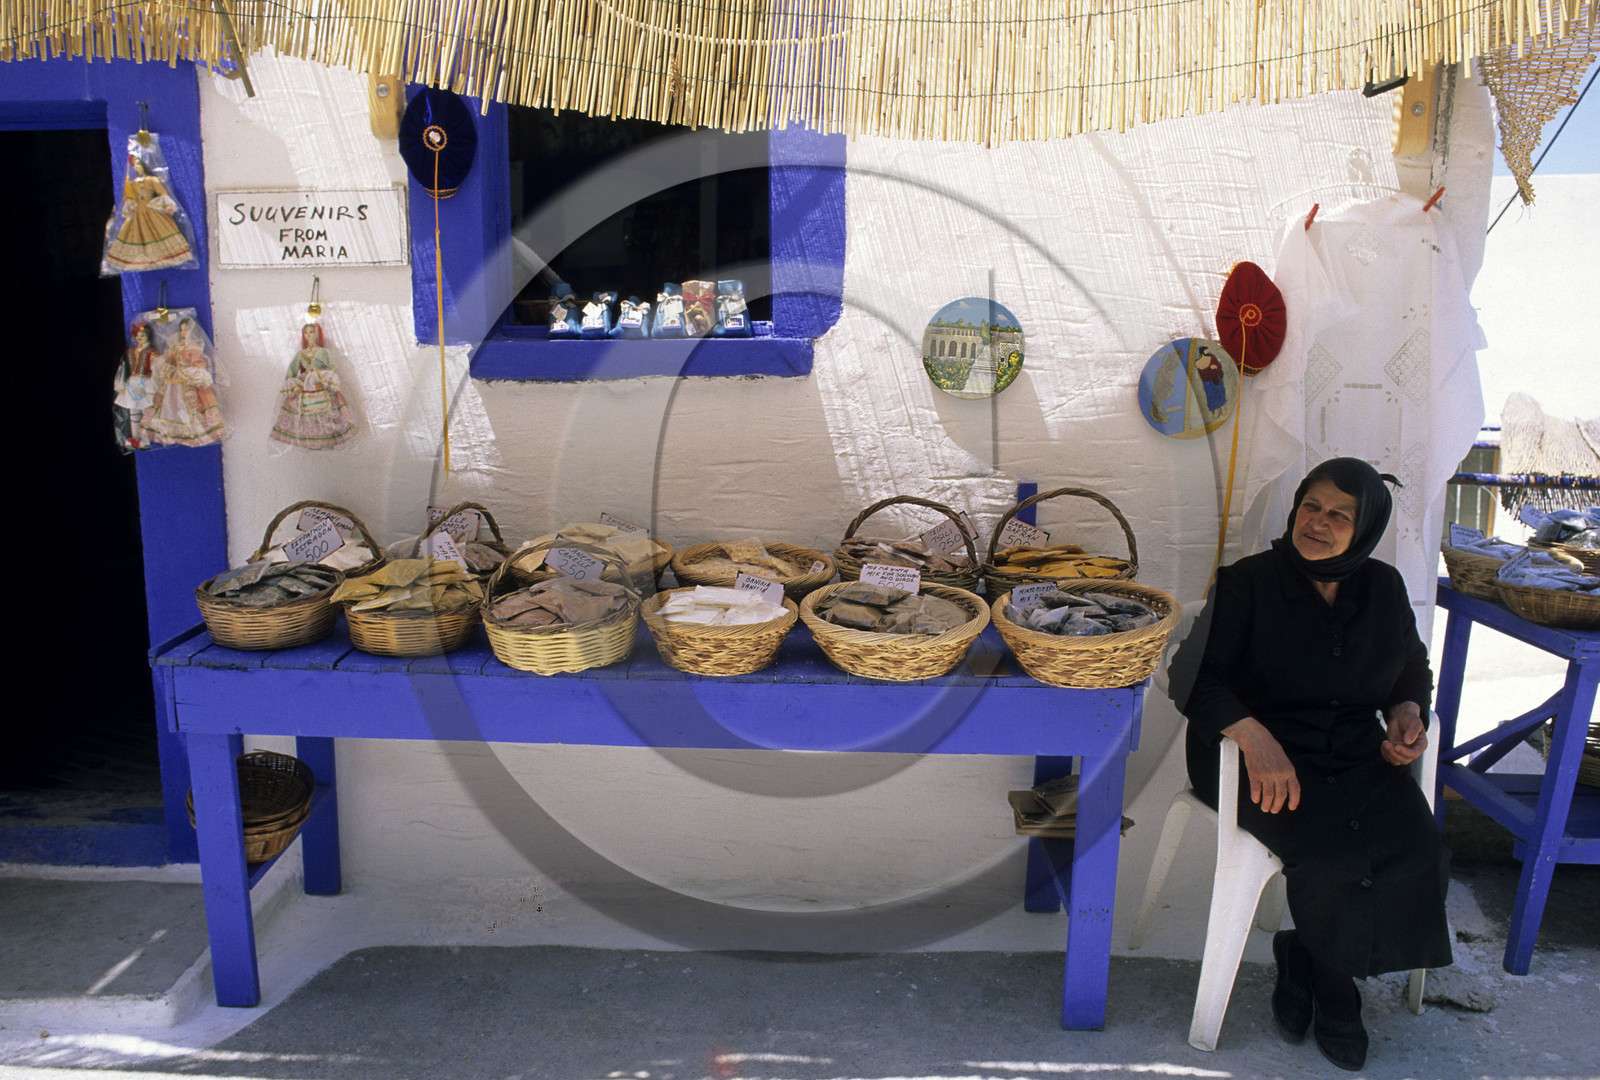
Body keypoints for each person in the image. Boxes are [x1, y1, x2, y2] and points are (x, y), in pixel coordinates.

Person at [1168, 457, 1451, 1071]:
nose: (1318, 523)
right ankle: (1336, 987)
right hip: (1247, 756)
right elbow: (1193, 677)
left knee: (1416, 842)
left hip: (1351, 751)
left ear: (1365, 528)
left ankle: (1306, 957)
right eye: (1311, 507)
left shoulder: (1383, 588)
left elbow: (1409, 671)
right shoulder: (1247, 583)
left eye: (1340, 516)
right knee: (1329, 852)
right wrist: (1256, 740)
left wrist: (1407, 713)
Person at [270, 323, 356, 449]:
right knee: (304, 411)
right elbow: (291, 372)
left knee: (326, 411)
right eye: (306, 332)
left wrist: (323, 378)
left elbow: (333, 369)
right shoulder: (300, 355)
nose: (309, 335)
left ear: (318, 334)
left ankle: (327, 438)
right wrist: (294, 383)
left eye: (312, 332)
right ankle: (310, 440)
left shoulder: (324, 353)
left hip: (319, 384)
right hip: (304, 386)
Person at [148, 317, 224, 447]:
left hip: (188, 379)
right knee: (171, 404)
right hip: (174, 380)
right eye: (182, 331)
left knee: (191, 404)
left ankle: (194, 433)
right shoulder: (176, 346)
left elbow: (198, 364)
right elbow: (169, 360)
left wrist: (187, 373)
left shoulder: (194, 347)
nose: (184, 333)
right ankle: (173, 433)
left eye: (187, 331)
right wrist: (166, 370)